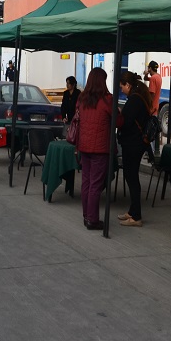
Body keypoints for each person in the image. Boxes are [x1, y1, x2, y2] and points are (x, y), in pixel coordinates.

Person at [76, 68, 114, 230]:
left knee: (86, 182)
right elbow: (118, 122)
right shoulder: (107, 100)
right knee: (95, 185)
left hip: (84, 146)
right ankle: (92, 219)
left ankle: (86, 215)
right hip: (100, 148)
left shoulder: (82, 98)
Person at [117, 71, 151, 227]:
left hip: (133, 144)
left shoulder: (134, 100)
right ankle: (132, 211)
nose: (121, 90)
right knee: (131, 177)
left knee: (132, 177)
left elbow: (126, 122)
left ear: (128, 85)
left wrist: (119, 114)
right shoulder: (138, 97)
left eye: (122, 86)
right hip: (136, 143)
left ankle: (136, 216)